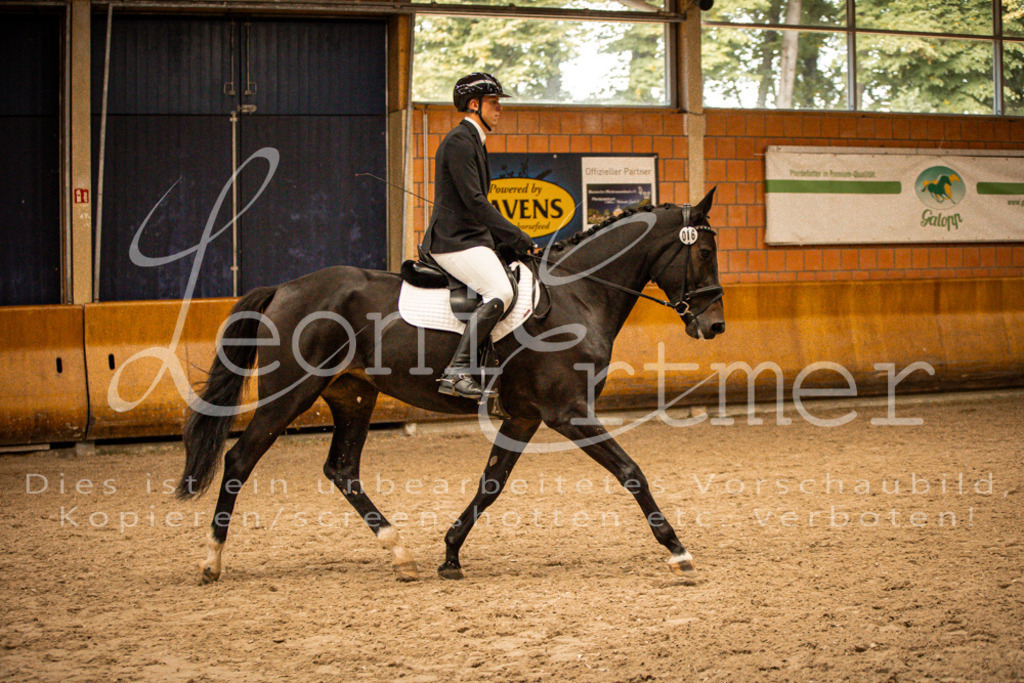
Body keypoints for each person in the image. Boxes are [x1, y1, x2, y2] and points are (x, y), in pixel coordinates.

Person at [421, 72, 535, 401]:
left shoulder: (474, 142)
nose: (500, 109)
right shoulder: (459, 141)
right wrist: (515, 235)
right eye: (494, 103)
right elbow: (473, 201)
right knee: (499, 290)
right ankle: (457, 371)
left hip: (470, 238)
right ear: (475, 105)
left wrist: (503, 242)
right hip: (453, 241)